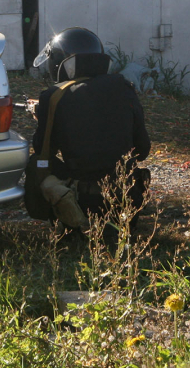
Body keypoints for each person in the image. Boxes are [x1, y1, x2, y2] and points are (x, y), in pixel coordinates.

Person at [29, 27, 151, 229]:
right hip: (128, 202)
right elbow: (142, 150)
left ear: (58, 62)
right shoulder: (124, 88)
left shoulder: (54, 96)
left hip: (85, 206)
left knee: (36, 165)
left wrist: (45, 116)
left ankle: (68, 223)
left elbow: (44, 152)